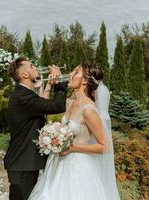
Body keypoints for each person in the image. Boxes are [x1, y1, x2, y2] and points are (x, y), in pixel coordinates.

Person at [29, 63, 121, 200]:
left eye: (75, 72)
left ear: (84, 80)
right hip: (58, 165)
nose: (70, 75)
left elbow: (105, 147)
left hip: (78, 168)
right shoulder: (70, 103)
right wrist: (48, 85)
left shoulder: (89, 110)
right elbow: (44, 106)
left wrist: (72, 147)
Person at [4, 57, 68, 200]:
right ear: (24, 75)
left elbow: (42, 105)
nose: (37, 68)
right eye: (32, 66)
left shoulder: (24, 94)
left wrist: (50, 86)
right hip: (22, 163)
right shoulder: (23, 96)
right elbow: (57, 106)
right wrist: (60, 80)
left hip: (24, 163)